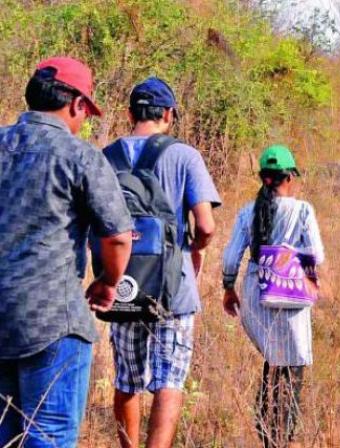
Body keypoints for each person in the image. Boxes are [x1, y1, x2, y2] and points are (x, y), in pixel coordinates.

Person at [0, 57, 133, 447]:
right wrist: (108, 282)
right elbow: (119, 236)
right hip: (53, 320)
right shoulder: (80, 156)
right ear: (76, 104)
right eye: (86, 112)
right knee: (50, 435)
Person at [108, 77, 221, 448]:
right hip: (174, 288)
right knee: (169, 380)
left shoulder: (106, 157)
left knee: (127, 380)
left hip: (122, 281)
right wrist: (194, 253)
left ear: (130, 113)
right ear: (168, 115)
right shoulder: (185, 156)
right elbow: (205, 225)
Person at [222, 145, 324, 448]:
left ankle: (266, 429)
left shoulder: (246, 211)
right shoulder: (303, 210)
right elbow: (316, 254)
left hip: (255, 291)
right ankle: (281, 435)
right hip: (290, 291)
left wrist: (228, 288)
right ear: (290, 177)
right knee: (292, 364)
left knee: (273, 359)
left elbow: (230, 258)